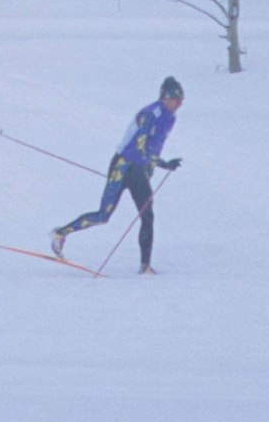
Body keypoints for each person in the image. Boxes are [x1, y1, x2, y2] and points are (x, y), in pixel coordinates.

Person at [52, 77, 183, 274]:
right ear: (166, 98)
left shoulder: (170, 118)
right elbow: (139, 147)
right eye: (177, 100)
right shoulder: (150, 114)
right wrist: (163, 163)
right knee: (103, 215)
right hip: (123, 165)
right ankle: (60, 234)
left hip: (139, 169)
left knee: (147, 215)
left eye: (181, 101)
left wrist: (150, 168)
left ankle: (145, 265)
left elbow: (155, 145)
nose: (179, 104)